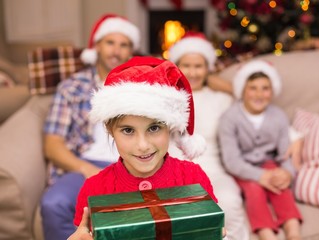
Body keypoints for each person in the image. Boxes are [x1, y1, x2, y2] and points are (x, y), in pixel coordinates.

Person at [68, 56, 226, 239]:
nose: (142, 145)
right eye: (128, 130)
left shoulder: (193, 178)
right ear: (110, 130)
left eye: (154, 128)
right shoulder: (94, 189)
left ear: (170, 126)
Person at [41, 13, 140, 240]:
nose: (116, 50)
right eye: (110, 42)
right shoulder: (72, 87)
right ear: (96, 46)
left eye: (124, 45)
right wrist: (86, 170)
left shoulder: (140, 87)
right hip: (86, 164)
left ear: (131, 52)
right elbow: (52, 144)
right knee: (53, 204)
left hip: (131, 164)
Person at [167, 32, 250, 240]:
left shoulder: (222, 99)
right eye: (186, 65)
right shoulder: (166, 98)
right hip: (172, 172)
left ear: (208, 70)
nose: (193, 72)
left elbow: (253, 110)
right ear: (177, 67)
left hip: (214, 170)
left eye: (199, 66)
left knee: (229, 201)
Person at [218, 60, 302, 240]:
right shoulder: (229, 118)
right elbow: (232, 160)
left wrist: (287, 172)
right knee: (254, 189)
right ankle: (266, 232)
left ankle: (292, 229)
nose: (259, 94)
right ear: (243, 91)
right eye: (253, 88)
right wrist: (259, 176)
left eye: (265, 88)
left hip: (269, 163)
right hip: (243, 167)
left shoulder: (278, 116)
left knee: (281, 185)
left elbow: (285, 152)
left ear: (272, 92)